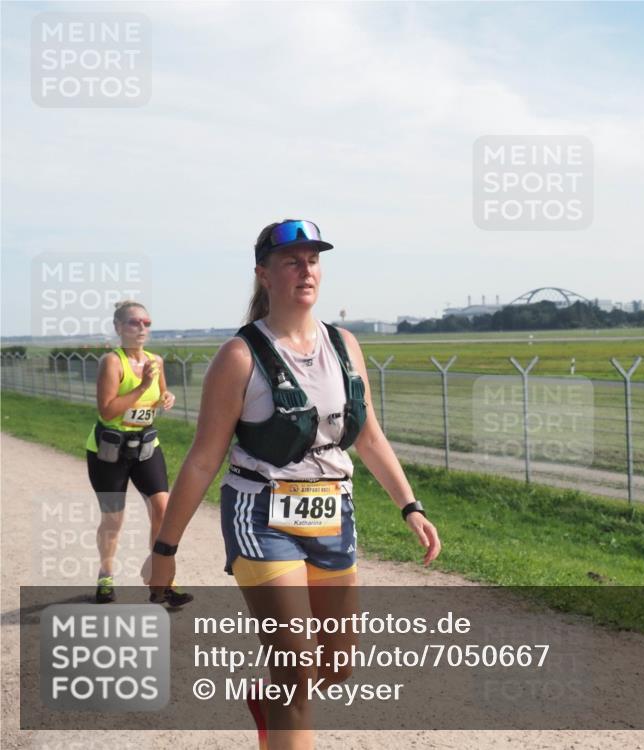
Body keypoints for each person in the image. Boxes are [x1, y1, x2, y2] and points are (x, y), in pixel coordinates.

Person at [149, 219, 441, 750]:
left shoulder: (344, 344)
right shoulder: (239, 357)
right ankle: (281, 696)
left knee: (336, 666)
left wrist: (410, 506)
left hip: (333, 513)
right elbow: (200, 461)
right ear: (263, 274)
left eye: (313, 260)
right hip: (261, 516)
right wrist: (165, 549)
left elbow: (369, 436)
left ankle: (268, 703)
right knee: (296, 671)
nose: (305, 270)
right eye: (291, 261)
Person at [85, 300, 191, 607]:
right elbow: (106, 411)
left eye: (146, 322)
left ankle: (161, 581)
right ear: (119, 327)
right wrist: (142, 385)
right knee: (113, 520)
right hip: (109, 451)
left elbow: (158, 395)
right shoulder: (112, 362)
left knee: (162, 509)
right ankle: (106, 576)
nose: (142, 328)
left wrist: (166, 397)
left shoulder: (155, 360)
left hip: (146, 446)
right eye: (134, 323)